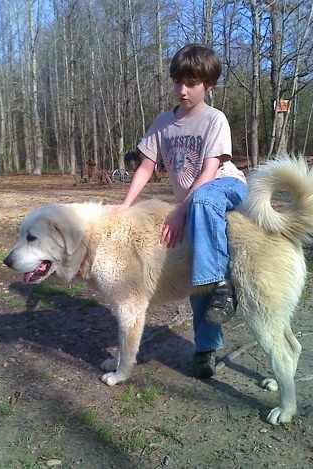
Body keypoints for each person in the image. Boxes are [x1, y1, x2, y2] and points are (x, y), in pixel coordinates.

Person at [115, 43, 247, 379]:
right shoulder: (163, 122)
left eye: (191, 83)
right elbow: (146, 167)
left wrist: (177, 212)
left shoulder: (214, 119)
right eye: (178, 82)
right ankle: (206, 350)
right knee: (197, 274)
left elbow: (207, 175)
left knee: (202, 203)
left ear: (209, 85)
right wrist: (125, 205)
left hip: (224, 189)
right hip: (198, 202)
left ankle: (222, 284)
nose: (183, 90)